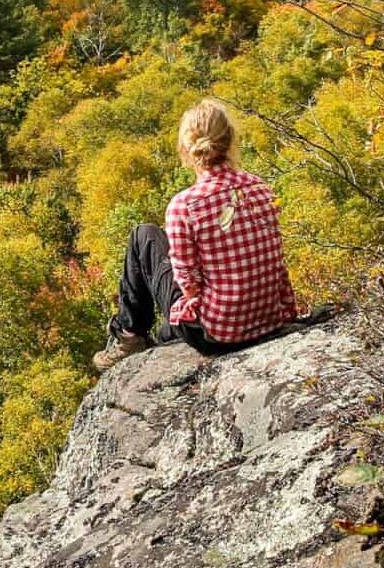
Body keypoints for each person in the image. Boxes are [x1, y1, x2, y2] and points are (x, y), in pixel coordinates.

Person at [93, 98, 298, 370]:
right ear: (230, 139)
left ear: (186, 148)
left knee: (144, 235)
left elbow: (188, 284)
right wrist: (287, 312)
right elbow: (276, 262)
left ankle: (129, 335)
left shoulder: (184, 205)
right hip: (269, 320)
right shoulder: (261, 188)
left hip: (217, 335)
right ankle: (155, 335)